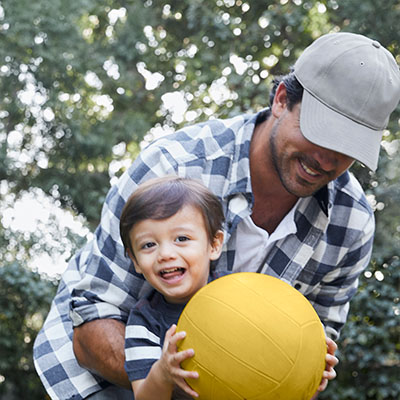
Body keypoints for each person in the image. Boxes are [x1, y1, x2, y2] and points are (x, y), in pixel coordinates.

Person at [33, 32, 400, 400]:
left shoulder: (351, 224)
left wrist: (307, 366)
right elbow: (91, 329)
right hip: (100, 386)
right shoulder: (173, 166)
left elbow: (316, 341)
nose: (325, 159)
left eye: (346, 148)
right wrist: (191, 378)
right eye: (320, 133)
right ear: (282, 100)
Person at [120, 176, 224, 399]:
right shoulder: (144, 322)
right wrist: (163, 373)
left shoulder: (238, 295)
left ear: (214, 245)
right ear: (136, 261)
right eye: (149, 245)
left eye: (182, 238)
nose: (165, 254)